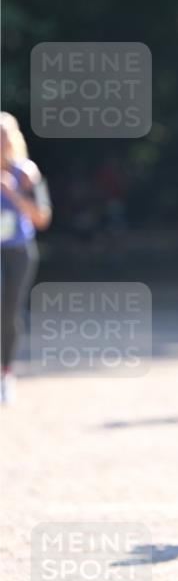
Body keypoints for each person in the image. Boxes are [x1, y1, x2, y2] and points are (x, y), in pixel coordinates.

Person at [1, 112, 52, 403]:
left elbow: (43, 216)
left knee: (9, 313)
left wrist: (14, 194)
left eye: (3, 136)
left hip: (19, 251)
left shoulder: (28, 172)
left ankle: (6, 372)